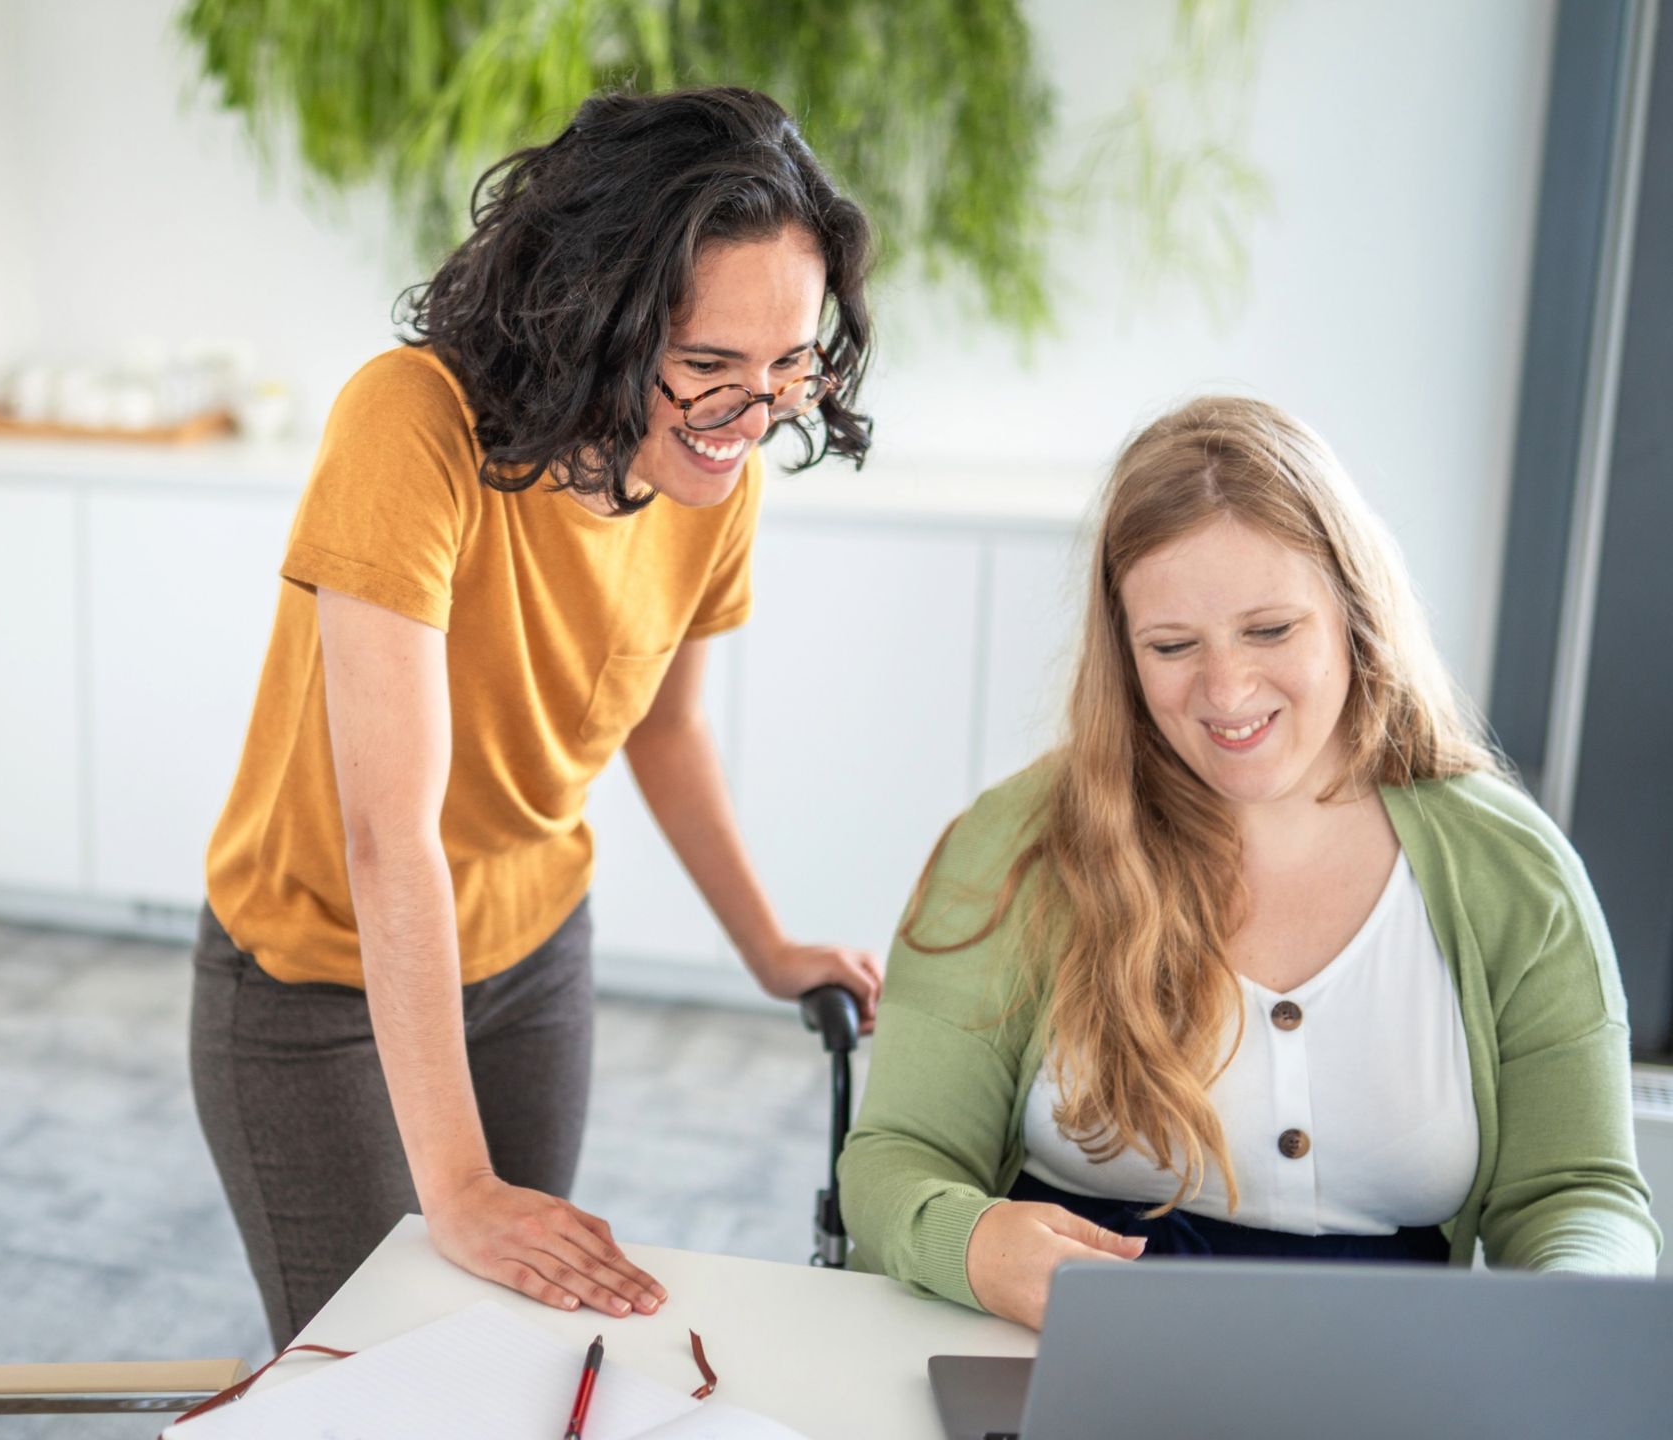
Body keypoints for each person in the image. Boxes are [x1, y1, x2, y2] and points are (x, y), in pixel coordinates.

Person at [190, 87, 884, 1347]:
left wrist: (768, 948)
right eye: (707, 368)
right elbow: (387, 835)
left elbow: (663, 730)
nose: (754, 414)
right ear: (593, 316)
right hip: (319, 974)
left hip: (533, 949)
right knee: (372, 1375)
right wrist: (456, 1185)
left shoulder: (710, 469)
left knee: (510, 1343)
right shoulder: (411, 424)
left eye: (787, 365)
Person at [840, 396, 1662, 1330]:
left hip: (1392, 1374)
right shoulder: (1011, 846)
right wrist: (974, 1244)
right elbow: (895, 1159)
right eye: (1172, 646)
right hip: (1061, 1351)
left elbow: (1579, 1192)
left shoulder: (1514, 874)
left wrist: (1572, 1303)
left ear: (1353, 613)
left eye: (1271, 631)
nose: (1226, 691)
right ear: (1123, 653)